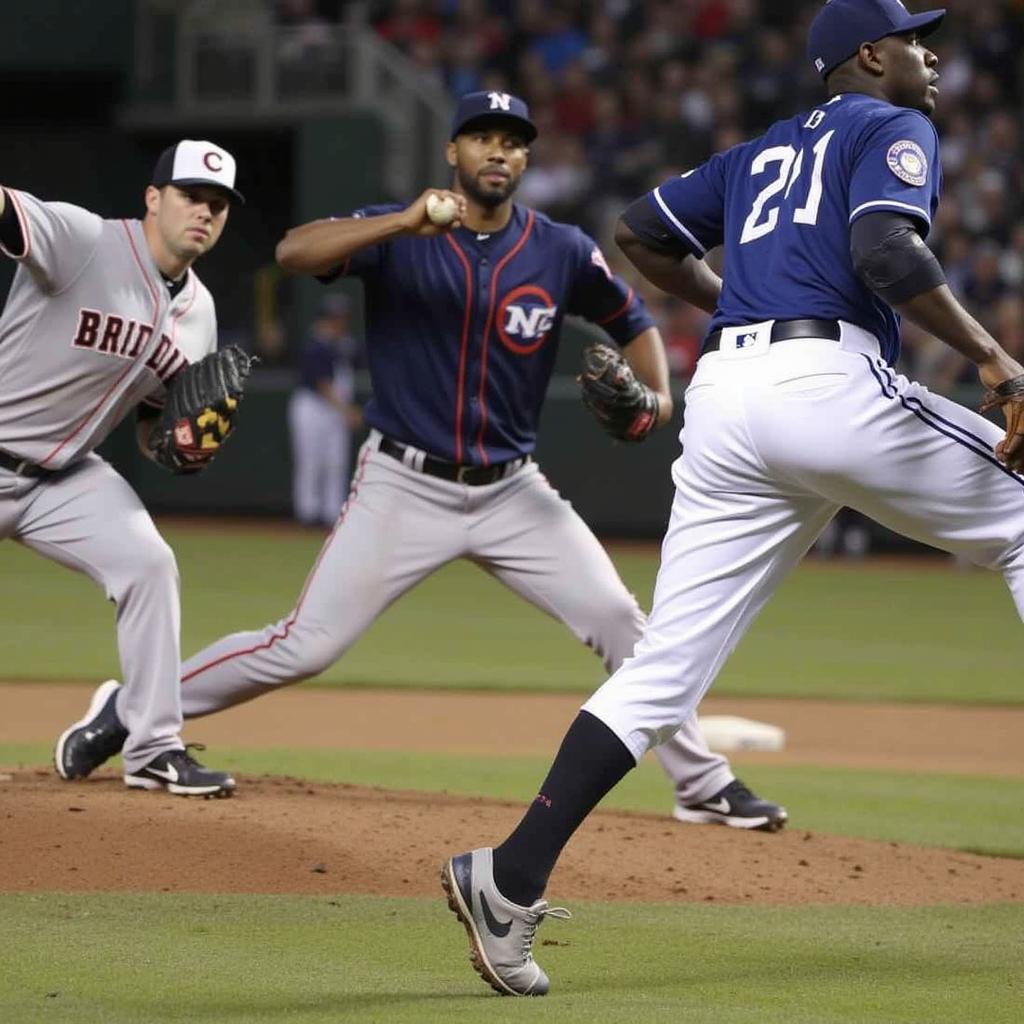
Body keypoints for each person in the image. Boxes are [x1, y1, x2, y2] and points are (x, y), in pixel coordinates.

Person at [439, 0, 1024, 998]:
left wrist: (743, 301)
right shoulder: (890, 122)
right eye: (915, 39)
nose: (932, 56)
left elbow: (638, 234)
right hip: (822, 384)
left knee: (665, 666)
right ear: (867, 56)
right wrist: (994, 356)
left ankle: (509, 874)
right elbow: (887, 253)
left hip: (725, 401)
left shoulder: (756, 152)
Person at [49, 92, 785, 831]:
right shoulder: (396, 229)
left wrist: (657, 396)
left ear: (526, 159)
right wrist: (401, 221)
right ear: (452, 153)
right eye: (482, 137)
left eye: (513, 141)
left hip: (512, 491)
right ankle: (130, 707)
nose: (498, 151)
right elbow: (293, 252)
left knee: (622, 622)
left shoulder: (558, 249)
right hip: (401, 483)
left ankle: (701, 782)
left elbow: (631, 318)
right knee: (302, 646)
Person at [2, 140, 244, 797]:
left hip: (68, 476)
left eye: (219, 204)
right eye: (192, 195)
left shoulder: (201, 315)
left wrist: (179, 447)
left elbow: (152, 427)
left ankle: (153, 747)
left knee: (149, 564)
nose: (205, 212)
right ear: (153, 198)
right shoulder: (83, 240)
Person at [288, 292, 362, 527]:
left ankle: (332, 513)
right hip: (312, 406)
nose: (340, 322)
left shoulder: (344, 344)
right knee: (310, 462)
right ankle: (308, 514)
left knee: (336, 463)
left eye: (342, 318)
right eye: (335, 318)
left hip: (334, 410)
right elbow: (323, 385)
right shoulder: (315, 344)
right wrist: (347, 411)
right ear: (324, 319)